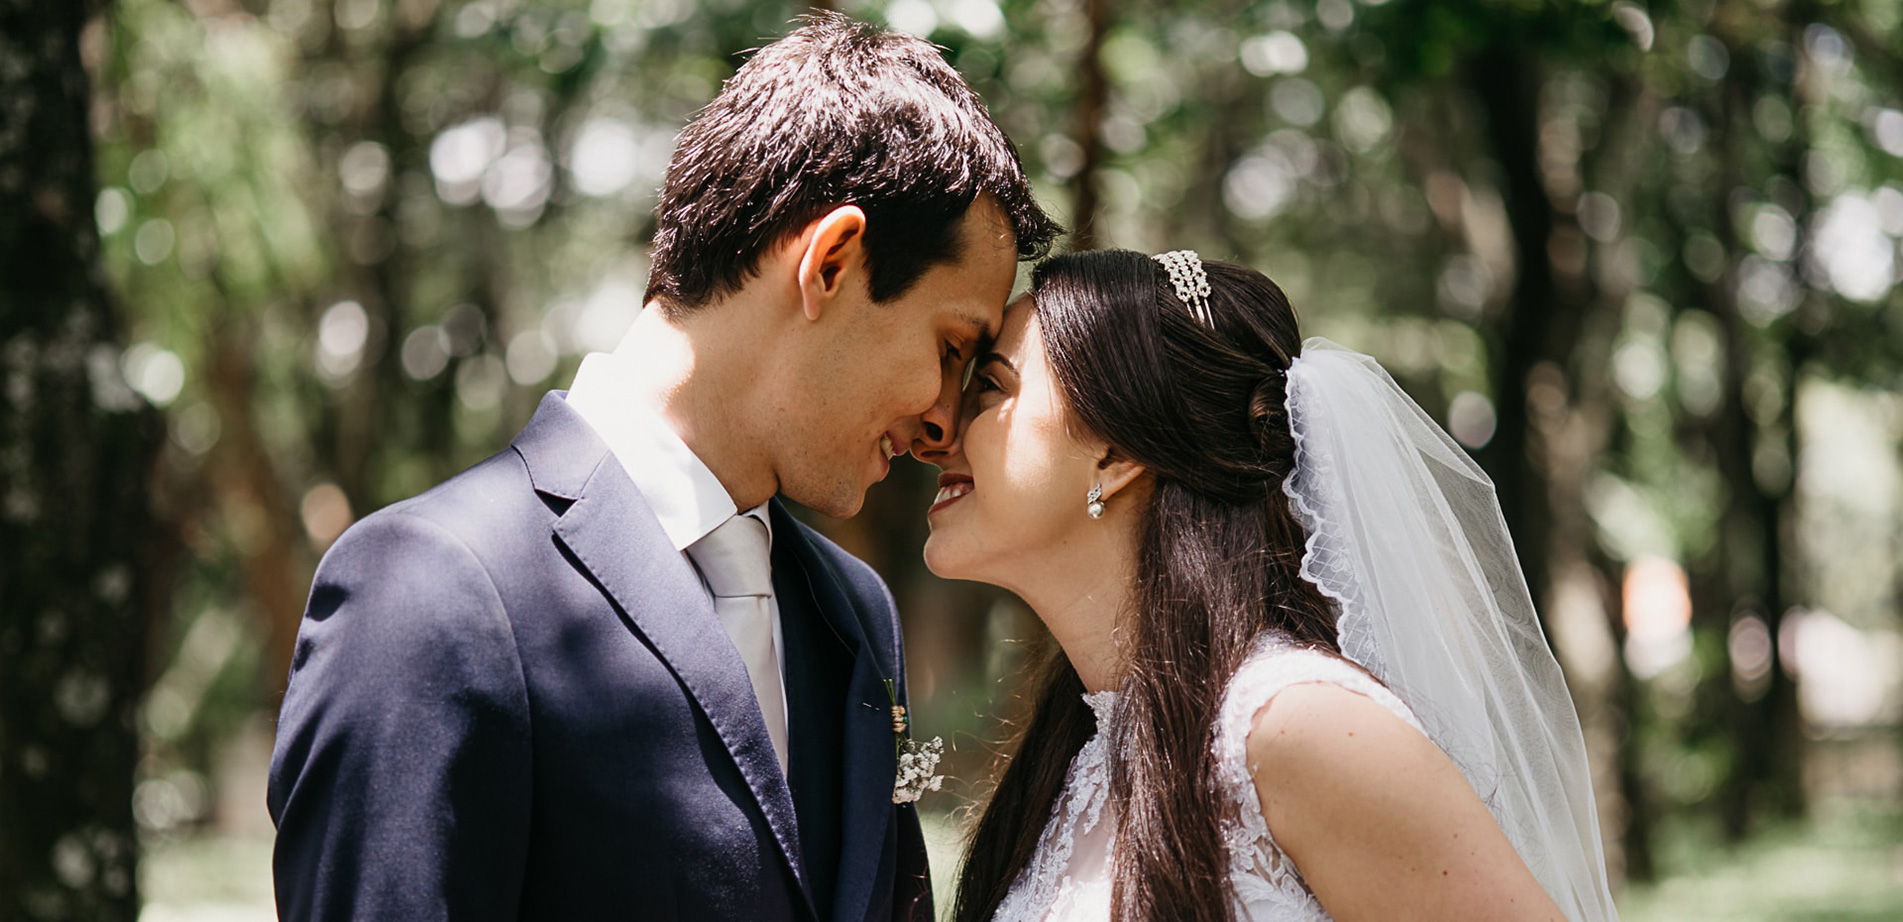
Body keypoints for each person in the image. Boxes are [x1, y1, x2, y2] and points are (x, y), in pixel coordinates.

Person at [266, 13, 1059, 922]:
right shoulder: (431, 591)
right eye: (951, 347)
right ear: (832, 263)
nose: (941, 422)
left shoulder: (852, 612)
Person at [921, 249, 1620, 922]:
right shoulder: (1076, 753)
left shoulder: (1298, 728)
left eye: (989, 388)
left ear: (1116, 452)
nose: (939, 427)